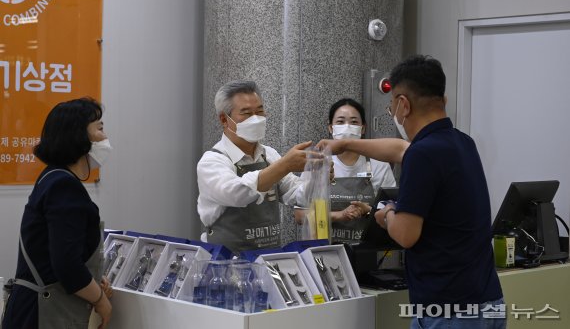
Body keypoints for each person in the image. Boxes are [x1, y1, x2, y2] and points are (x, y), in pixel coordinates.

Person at [318, 55, 505, 329]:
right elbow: (400, 149)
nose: (392, 111)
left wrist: (386, 213)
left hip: (445, 309)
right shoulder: (462, 142)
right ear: (443, 100)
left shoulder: (423, 154)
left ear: (403, 104)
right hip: (487, 301)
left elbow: (406, 235)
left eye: (392, 103)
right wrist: (347, 144)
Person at [2, 98, 114, 329]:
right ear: (79, 136)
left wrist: (93, 280)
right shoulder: (64, 186)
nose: (105, 137)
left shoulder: (52, 178)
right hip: (40, 316)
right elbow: (67, 265)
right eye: (100, 128)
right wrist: (101, 300)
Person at [197, 80, 311, 254]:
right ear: (224, 119)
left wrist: (317, 176)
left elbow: (296, 193)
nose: (256, 119)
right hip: (226, 263)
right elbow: (237, 194)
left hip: (269, 260)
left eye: (259, 111)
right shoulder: (212, 162)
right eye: (247, 113)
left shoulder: (269, 155)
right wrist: (285, 165)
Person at [295, 98, 397, 244]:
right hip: (324, 251)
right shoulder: (317, 163)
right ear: (331, 128)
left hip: (367, 251)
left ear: (363, 128)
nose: (347, 127)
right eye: (340, 122)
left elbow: (392, 210)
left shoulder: (379, 164)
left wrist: (367, 210)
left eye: (354, 122)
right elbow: (299, 215)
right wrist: (339, 215)